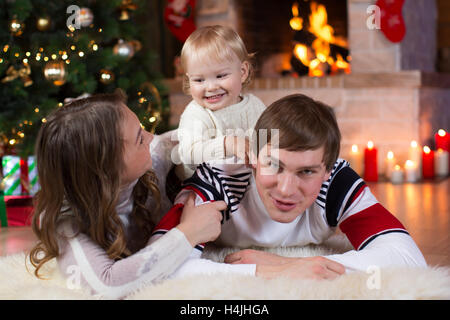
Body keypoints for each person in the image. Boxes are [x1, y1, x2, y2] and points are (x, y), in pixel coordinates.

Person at [153, 93, 427, 280]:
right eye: (274, 165)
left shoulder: (337, 181)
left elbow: (407, 257)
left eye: (306, 171)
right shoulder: (217, 180)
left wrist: (291, 266)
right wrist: (264, 272)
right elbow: (158, 265)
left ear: (327, 170)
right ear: (253, 159)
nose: (286, 189)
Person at [28, 91, 255, 299]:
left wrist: (229, 142)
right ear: (105, 168)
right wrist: (188, 233)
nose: (150, 137)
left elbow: (183, 141)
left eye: (142, 128)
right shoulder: (66, 219)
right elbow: (107, 287)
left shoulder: (156, 154)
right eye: (139, 138)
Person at [176, 25, 266, 180]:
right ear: (189, 79)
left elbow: (270, 138)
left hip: (248, 182)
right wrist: (226, 145)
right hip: (205, 187)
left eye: (220, 76)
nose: (211, 87)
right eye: (199, 80)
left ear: (242, 72)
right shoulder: (196, 114)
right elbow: (188, 154)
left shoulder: (255, 106)